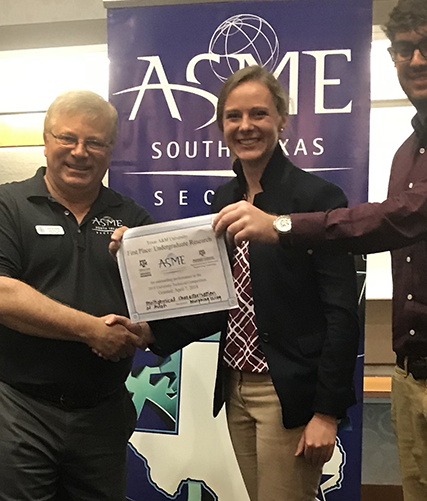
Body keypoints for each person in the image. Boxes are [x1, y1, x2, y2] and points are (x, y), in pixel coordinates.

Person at [212, 0, 427, 500]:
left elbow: (403, 220)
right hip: (414, 379)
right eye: (403, 49)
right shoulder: (408, 152)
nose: (415, 60)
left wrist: (282, 227)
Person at [110, 65, 361, 501]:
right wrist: (153, 331)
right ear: (221, 124)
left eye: (259, 114)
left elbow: (341, 311)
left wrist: (327, 412)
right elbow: (219, 299)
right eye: (233, 116)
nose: (246, 127)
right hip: (235, 387)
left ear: (282, 120)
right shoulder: (224, 199)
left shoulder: (318, 200)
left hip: (288, 393)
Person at [0, 90, 151, 500]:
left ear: (111, 149)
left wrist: (143, 332)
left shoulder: (133, 221)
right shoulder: (5, 206)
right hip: (19, 411)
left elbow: (159, 306)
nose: (79, 152)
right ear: (46, 140)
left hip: (102, 414)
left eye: (95, 142)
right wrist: (91, 330)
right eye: (67, 138)